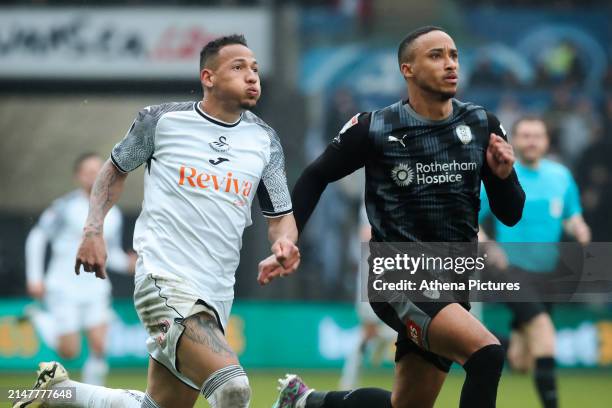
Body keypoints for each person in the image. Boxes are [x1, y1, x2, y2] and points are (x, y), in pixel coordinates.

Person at [14, 34, 300, 408]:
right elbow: (113, 171)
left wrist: (285, 243)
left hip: (216, 290)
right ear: (208, 77)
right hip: (164, 278)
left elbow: (281, 216)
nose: (252, 76)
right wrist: (93, 230)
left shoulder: (265, 140)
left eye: (256, 69)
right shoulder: (161, 121)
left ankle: (61, 394)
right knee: (233, 389)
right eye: (239, 67)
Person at [260, 26, 525, 408]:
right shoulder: (374, 128)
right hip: (400, 274)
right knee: (487, 353)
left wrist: (502, 180)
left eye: (453, 55)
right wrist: (288, 236)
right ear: (408, 69)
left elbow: (511, 213)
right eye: (436, 56)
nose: (450, 64)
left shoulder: (482, 124)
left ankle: (304, 401)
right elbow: (315, 175)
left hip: (454, 279)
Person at [479, 116, 591, 408]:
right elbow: (470, 220)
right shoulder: (500, 175)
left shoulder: (561, 176)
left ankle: (478, 341)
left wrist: (578, 228)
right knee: (543, 330)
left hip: (547, 276)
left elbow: (571, 216)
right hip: (510, 271)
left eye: (537, 136)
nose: (531, 141)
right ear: (514, 141)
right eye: (525, 136)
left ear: (546, 141)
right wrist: (489, 246)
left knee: (522, 361)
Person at [24, 152, 136, 386]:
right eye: (89, 172)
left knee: (99, 346)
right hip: (64, 287)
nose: (94, 176)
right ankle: (38, 317)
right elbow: (37, 238)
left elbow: (108, 254)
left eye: (99, 170)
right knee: (70, 352)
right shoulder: (64, 208)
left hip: (96, 286)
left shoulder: (112, 213)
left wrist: (129, 265)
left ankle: (94, 397)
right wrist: (35, 278)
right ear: (78, 176)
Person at [339, 204, 395, 390]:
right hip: (371, 277)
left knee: (398, 330)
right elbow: (365, 234)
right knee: (368, 332)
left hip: (395, 275)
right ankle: (348, 383)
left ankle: (382, 340)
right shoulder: (371, 202)